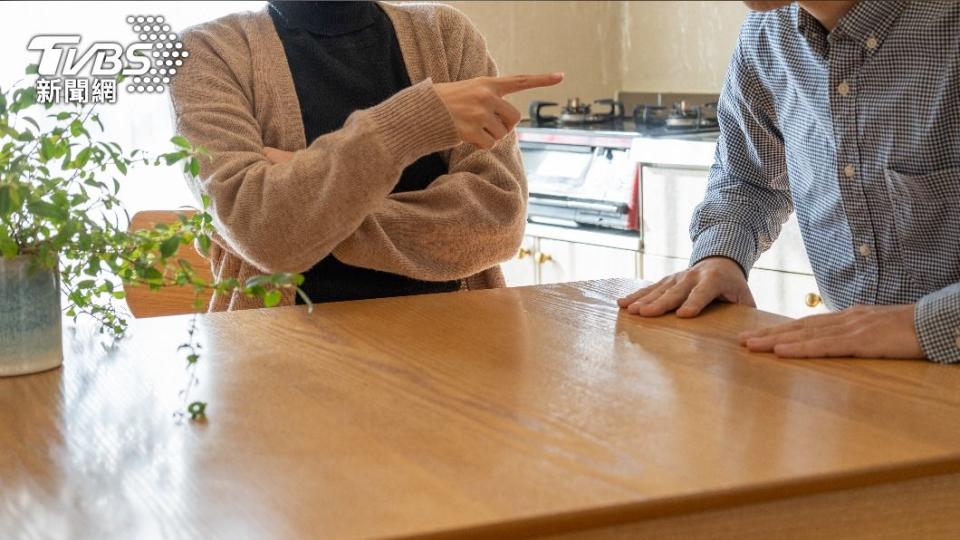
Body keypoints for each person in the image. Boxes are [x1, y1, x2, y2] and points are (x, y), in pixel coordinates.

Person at [618, 0, 960, 363]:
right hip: (853, 378)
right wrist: (721, 258)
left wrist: (918, 326)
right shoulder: (766, 34)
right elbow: (748, 180)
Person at [169, 1, 562, 310]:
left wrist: (313, 203)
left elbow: (497, 220)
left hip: (457, 346)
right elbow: (264, 232)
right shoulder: (206, 52)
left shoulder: (445, 34)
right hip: (279, 363)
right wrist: (414, 119)